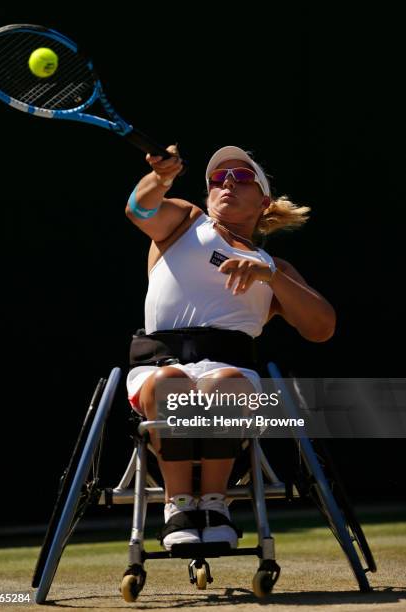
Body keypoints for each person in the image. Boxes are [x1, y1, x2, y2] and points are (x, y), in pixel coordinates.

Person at [125, 144, 336, 551]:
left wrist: (270, 275)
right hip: (160, 367)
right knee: (170, 379)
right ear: (208, 194)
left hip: (230, 374)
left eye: (241, 179)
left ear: (264, 201)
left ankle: (215, 506)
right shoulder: (185, 221)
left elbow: (322, 328)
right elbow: (139, 209)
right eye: (219, 180)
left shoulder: (274, 267)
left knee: (225, 382)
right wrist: (161, 178)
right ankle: (179, 507)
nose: (227, 185)